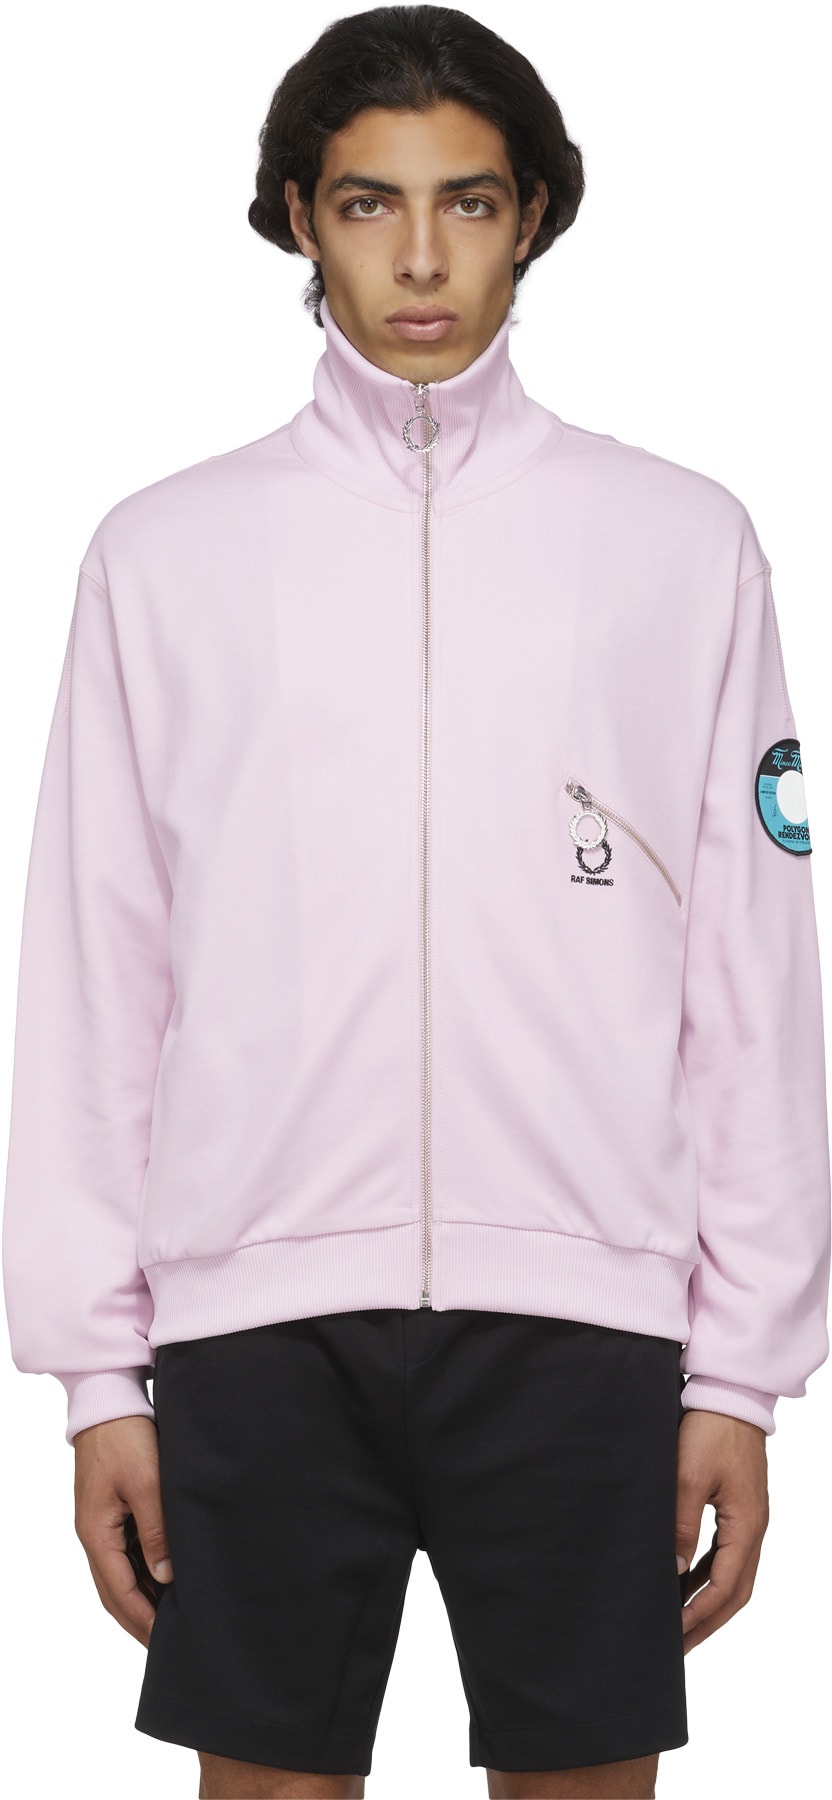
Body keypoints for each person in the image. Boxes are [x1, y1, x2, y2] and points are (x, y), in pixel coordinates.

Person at [2, 6, 830, 1798]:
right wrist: (96, 1379)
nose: (424, 257)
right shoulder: (161, 554)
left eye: (469, 200)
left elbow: (755, 977)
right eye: (371, 203)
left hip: (589, 1321)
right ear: (302, 218)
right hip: (256, 1325)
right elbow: (94, 975)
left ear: (533, 216)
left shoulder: (685, 543)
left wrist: (741, 1374)